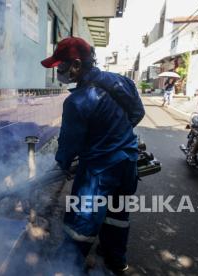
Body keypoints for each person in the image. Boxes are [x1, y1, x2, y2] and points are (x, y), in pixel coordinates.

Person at [41, 37, 142, 274]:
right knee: (118, 214)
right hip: (128, 163)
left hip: (99, 172)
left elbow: (68, 146)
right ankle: (116, 261)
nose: (59, 72)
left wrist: (63, 164)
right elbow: (137, 113)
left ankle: (66, 267)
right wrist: (117, 136)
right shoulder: (123, 81)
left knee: (81, 221)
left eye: (60, 67)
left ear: (76, 65)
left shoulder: (76, 101)